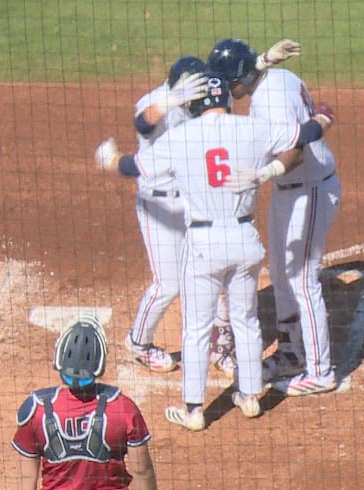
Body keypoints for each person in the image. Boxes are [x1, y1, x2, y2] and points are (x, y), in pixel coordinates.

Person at [94, 73, 334, 431]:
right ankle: (250, 396)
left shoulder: (181, 136)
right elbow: (305, 136)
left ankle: (194, 410)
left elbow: (134, 167)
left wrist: (110, 159)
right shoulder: (253, 128)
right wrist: (322, 116)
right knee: (247, 320)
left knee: (196, 327)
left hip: (204, 245)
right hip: (245, 240)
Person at [124, 44, 300, 379]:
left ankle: (220, 344)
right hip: (159, 204)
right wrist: (169, 101)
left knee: (212, 271)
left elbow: (229, 78)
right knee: (168, 284)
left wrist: (261, 61)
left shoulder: (200, 90)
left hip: (192, 201)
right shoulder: (156, 101)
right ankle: (139, 344)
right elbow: (143, 124)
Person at [207, 38, 343, 397]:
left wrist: (261, 174)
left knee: (302, 280)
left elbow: (295, 152)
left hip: (309, 189)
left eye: (226, 81)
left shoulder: (270, 98)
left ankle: (320, 371)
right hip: (291, 191)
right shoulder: (274, 79)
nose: (224, 89)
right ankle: (291, 351)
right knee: (282, 274)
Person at [10, 314, 160, 490]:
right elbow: (142, 469)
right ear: (100, 364)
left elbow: (27, 476)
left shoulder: (36, 409)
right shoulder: (123, 408)